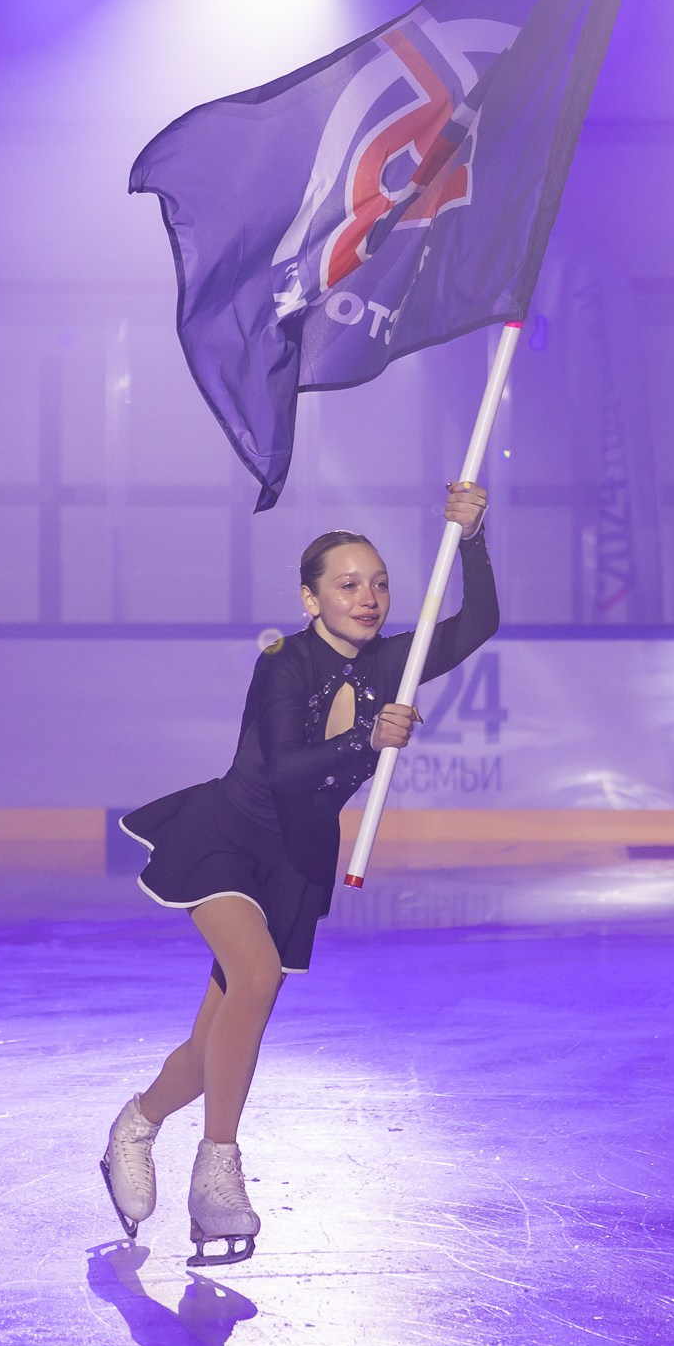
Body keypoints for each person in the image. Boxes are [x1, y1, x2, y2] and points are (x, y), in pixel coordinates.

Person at [101, 480, 496, 1267]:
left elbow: (479, 622)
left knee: (213, 1036)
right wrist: (368, 742)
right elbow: (284, 770)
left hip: (294, 859)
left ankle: (135, 1124)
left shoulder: (395, 662)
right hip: (228, 839)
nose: (370, 596)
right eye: (348, 583)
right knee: (255, 977)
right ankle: (217, 1175)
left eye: (380, 581)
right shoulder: (286, 662)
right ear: (310, 597)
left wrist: (475, 539)